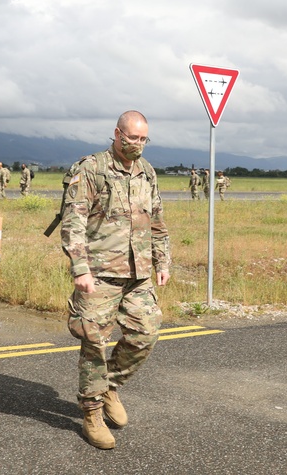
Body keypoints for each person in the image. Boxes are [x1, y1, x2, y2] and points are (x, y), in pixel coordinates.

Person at [61, 110, 170, 450]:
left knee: (146, 334)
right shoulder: (91, 168)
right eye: (132, 138)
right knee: (94, 342)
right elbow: (73, 222)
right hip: (100, 273)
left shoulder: (147, 171)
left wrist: (162, 260)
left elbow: (157, 221)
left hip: (138, 274)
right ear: (117, 134)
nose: (137, 144)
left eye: (143, 139)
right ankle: (91, 413)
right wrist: (80, 268)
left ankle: (110, 386)